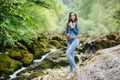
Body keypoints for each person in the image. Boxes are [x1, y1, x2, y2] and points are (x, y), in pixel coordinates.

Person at [65, 12, 80, 79]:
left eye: (73, 15)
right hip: (69, 41)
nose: (72, 16)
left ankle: (76, 67)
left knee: (67, 54)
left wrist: (72, 27)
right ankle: (71, 73)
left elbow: (77, 33)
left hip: (75, 40)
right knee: (71, 57)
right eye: (71, 15)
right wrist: (67, 34)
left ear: (75, 16)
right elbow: (66, 32)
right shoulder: (68, 23)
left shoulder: (77, 23)